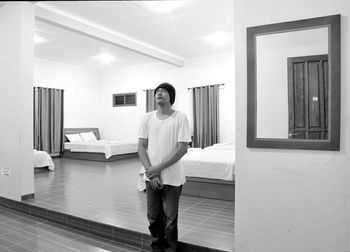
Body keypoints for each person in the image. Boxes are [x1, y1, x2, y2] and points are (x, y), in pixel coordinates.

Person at [138, 82, 191, 252]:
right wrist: (151, 173)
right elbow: (141, 147)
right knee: (153, 218)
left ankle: (170, 249)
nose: (159, 93)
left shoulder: (180, 117)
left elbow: (182, 148)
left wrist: (157, 168)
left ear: (171, 96)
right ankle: (156, 248)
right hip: (151, 176)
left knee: (170, 219)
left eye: (163, 91)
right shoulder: (147, 118)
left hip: (173, 177)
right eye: (157, 91)